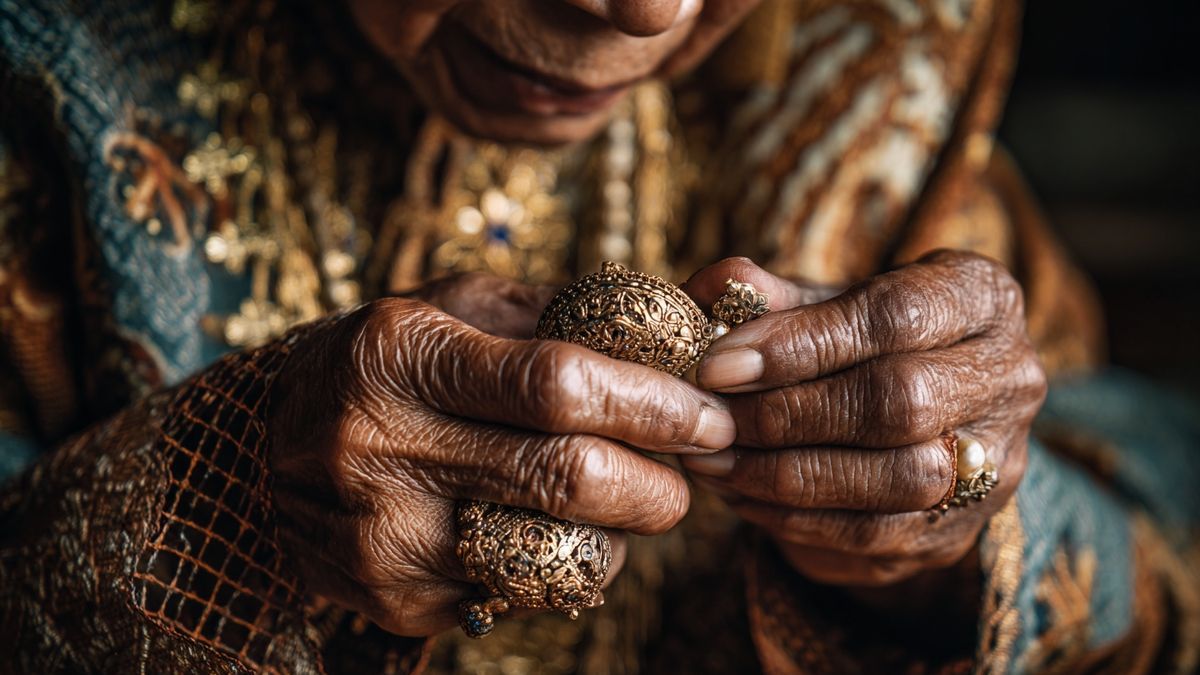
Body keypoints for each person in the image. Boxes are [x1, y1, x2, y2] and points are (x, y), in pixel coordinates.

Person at [1, 0, 1196, 672]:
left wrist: (947, 538)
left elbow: (1163, 520)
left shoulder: (889, 34)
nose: (645, 10)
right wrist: (216, 504)